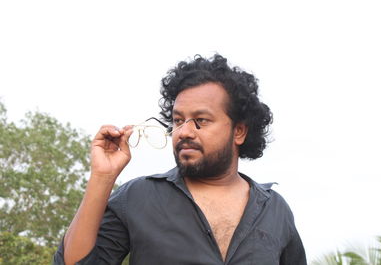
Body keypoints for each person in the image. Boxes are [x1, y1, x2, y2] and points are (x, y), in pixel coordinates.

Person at [53, 54, 307, 265]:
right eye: (177, 120)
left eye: (201, 121)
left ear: (238, 131)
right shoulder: (138, 197)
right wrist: (102, 177)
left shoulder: (275, 210)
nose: (184, 131)